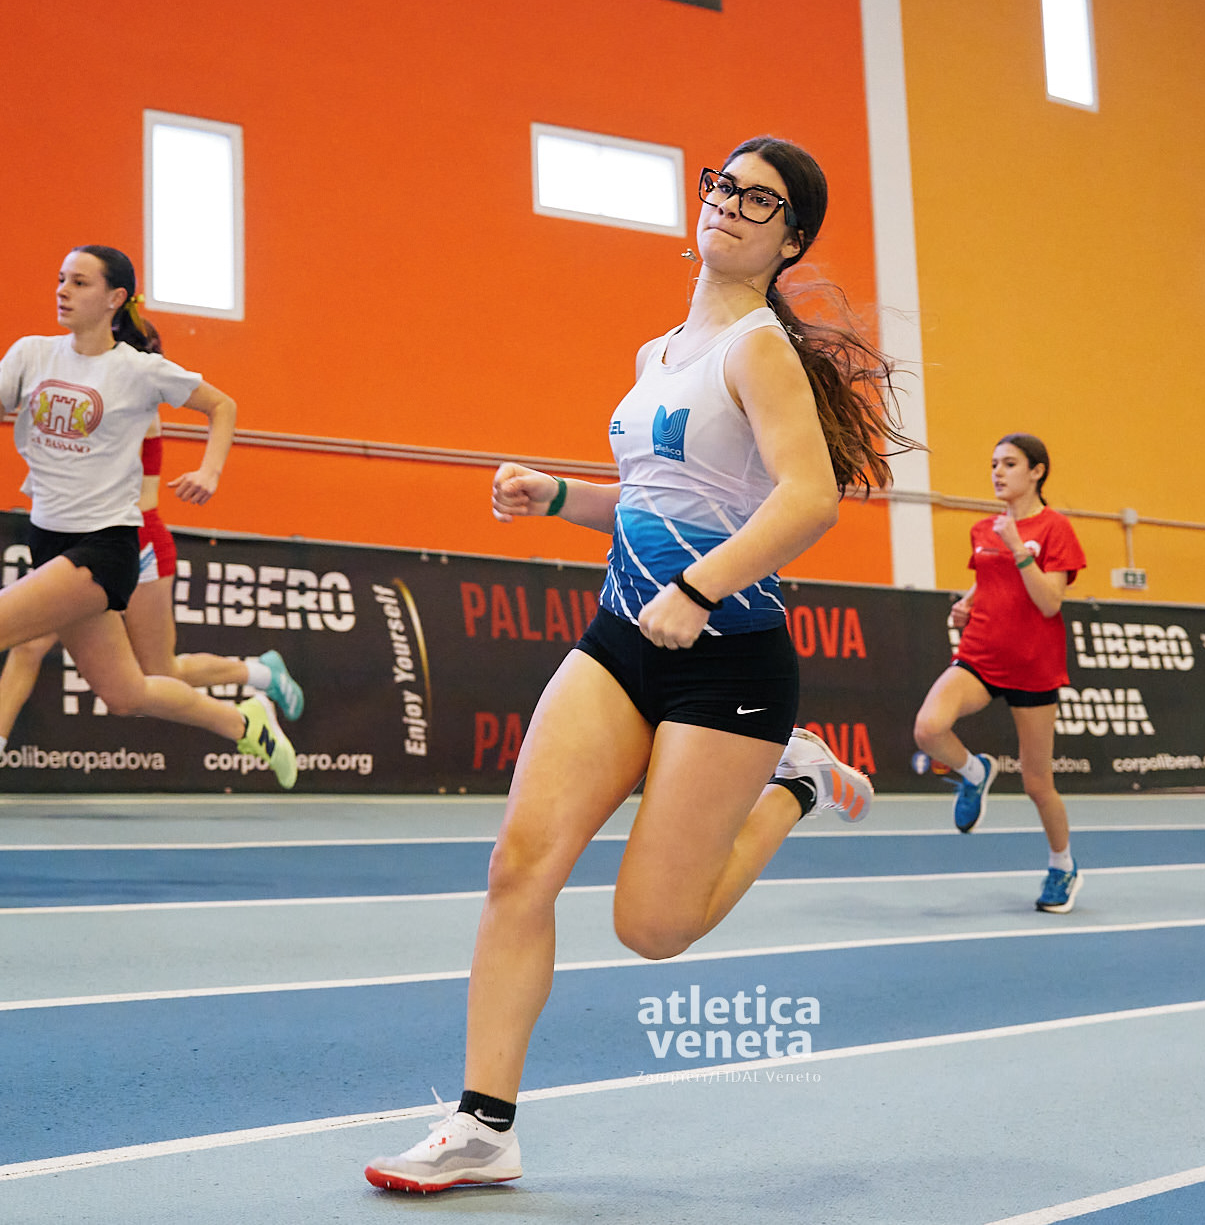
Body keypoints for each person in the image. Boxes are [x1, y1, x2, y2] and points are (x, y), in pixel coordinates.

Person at [364, 137, 910, 1193]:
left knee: (650, 927)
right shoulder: (656, 352)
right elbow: (661, 502)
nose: (732, 204)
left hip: (728, 662)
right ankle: (483, 1127)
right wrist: (559, 498)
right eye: (724, 185)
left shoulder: (757, 350)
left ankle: (794, 778)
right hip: (622, 637)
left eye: (762, 200)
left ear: (790, 240)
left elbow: (808, 498)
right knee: (518, 866)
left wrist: (698, 590)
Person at [0, 246, 296, 843]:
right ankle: (246, 722)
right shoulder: (30, 354)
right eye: (61, 280)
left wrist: (211, 471)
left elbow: (222, 405)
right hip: (48, 541)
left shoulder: (139, 370)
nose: (63, 290)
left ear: (115, 298)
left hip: (105, 548)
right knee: (126, 693)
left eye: (80, 282)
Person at [0, 420, 305, 795]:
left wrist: (210, 470)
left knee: (159, 672)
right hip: (84, 544)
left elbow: (218, 407)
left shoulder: (134, 401)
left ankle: (257, 677)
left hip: (136, 544)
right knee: (32, 645)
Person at [912, 433, 1086, 912]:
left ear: (1037, 471)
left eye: (1009, 463)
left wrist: (1018, 548)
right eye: (994, 464)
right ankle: (975, 771)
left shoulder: (1055, 528)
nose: (998, 472)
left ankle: (1062, 866)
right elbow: (988, 578)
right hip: (981, 654)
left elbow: (1050, 602)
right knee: (928, 728)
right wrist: (966, 604)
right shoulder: (983, 529)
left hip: (1033, 668)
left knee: (1037, 784)